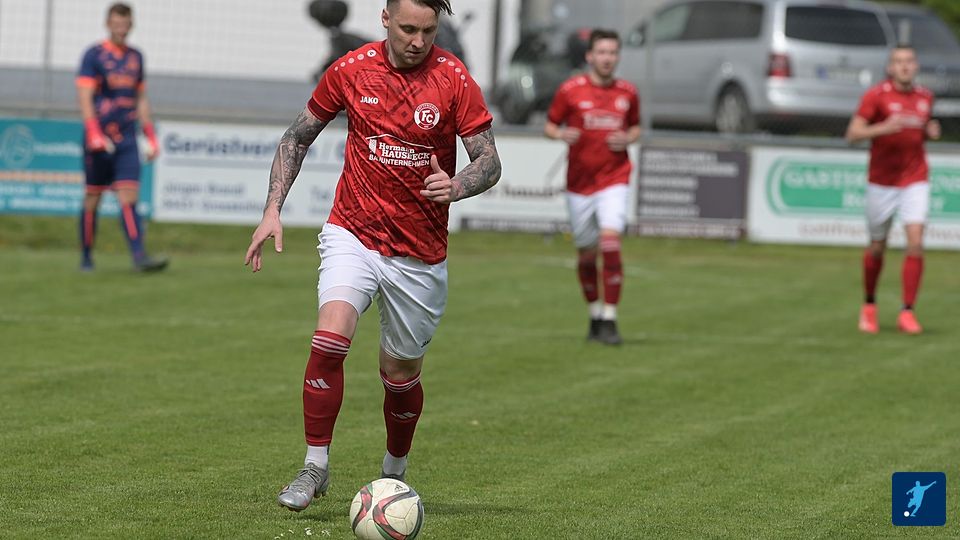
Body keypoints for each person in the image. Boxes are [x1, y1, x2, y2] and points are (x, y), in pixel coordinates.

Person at [244, 0, 501, 513]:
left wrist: (457, 186)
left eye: (428, 31)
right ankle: (315, 465)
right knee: (330, 338)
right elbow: (297, 137)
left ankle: (394, 473)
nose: (418, 41)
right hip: (353, 232)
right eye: (408, 29)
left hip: (419, 254)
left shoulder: (454, 79)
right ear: (385, 19)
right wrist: (272, 209)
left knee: (400, 375)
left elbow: (489, 162)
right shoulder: (352, 69)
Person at [544, 29, 640, 346]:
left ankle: (610, 318)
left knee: (610, 244)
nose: (607, 58)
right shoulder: (570, 90)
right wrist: (561, 135)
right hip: (580, 185)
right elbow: (550, 125)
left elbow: (636, 127)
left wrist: (628, 138)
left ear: (618, 56)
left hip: (614, 179)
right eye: (602, 52)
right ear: (590, 56)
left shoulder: (628, 92)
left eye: (612, 52)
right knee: (586, 257)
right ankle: (595, 315)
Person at [846, 44, 940, 335]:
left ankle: (907, 311)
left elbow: (921, 129)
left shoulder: (925, 97)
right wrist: (881, 128)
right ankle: (869, 305)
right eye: (899, 61)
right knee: (877, 247)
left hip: (915, 179)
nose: (904, 66)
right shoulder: (876, 96)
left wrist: (930, 131)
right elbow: (852, 134)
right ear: (890, 67)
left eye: (909, 61)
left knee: (916, 242)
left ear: (916, 65)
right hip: (882, 182)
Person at [76, 2, 167, 272]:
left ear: (131, 25)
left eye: (125, 24)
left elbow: (141, 98)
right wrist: (93, 131)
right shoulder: (93, 55)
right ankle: (86, 258)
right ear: (108, 24)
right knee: (93, 197)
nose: (121, 28)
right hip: (100, 139)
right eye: (116, 23)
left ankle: (139, 258)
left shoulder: (136, 57)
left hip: (127, 138)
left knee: (128, 196)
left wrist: (150, 135)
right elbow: (85, 96)